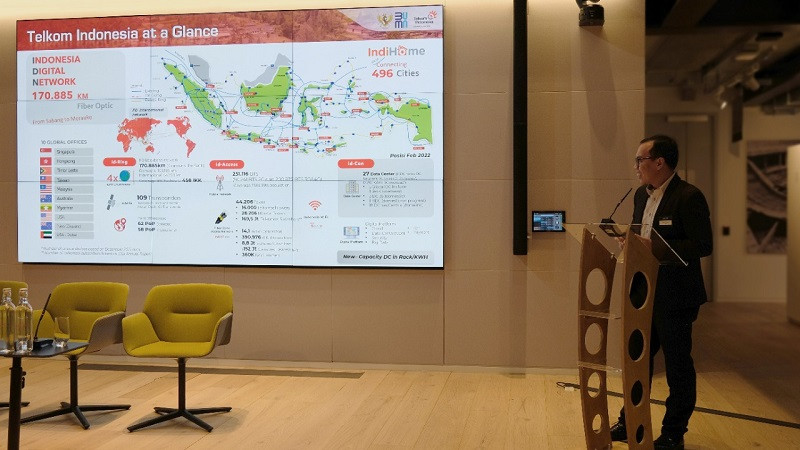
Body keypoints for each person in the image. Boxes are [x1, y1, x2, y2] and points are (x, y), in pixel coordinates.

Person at [610, 135, 713, 450]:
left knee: (677, 365)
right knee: (636, 360)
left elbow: (702, 245)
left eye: (640, 160)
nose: (636, 166)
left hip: (676, 296)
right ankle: (630, 420)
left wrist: (654, 246)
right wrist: (629, 242)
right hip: (643, 291)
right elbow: (640, 235)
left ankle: (673, 432)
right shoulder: (640, 196)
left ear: (659, 162)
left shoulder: (689, 196)